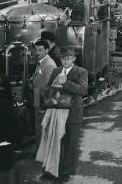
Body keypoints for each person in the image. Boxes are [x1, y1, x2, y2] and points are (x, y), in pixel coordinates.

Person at [36, 47, 88, 183]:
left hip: (72, 115)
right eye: (63, 58)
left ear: (74, 59)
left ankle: (65, 173)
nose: (65, 61)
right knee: (54, 142)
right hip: (56, 112)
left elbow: (82, 90)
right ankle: (52, 171)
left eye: (68, 58)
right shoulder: (56, 71)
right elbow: (49, 88)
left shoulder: (81, 72)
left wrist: (66, 82)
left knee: (70, 144)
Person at [32, 39, 57, 140]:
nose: (37, 53)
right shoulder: (41, 62)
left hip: (43, 104)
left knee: (43, 131)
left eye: (40, 50)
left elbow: (49, 88)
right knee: (40, 130)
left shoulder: (49, 65)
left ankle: (43, 154)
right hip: (38, 101)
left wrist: (43, 108)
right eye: (36, 50)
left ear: (47, 50)